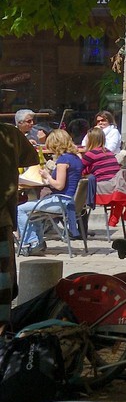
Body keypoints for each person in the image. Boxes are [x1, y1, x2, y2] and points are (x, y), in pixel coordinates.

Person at [17, 130, 83, 254]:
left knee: (20, 209)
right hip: (69, 201)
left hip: (60, 201)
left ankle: (31, 242)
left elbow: (59, 185)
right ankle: (37, 241)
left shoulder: (63, 161)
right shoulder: (76, 158)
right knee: (34, 211)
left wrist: (47, 176)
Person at [0, 118, 38, 323]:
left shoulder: (10, 135)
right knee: (3, 285)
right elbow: (30, 158)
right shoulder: (11, 135)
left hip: (3, 218)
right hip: (3, 219)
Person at [79, 128, 122, 197]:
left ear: (90, 140)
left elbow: (79, 168)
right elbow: (97, 166)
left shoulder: (91, 154)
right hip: (115, 183)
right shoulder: (108, 152)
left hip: (103, 184)